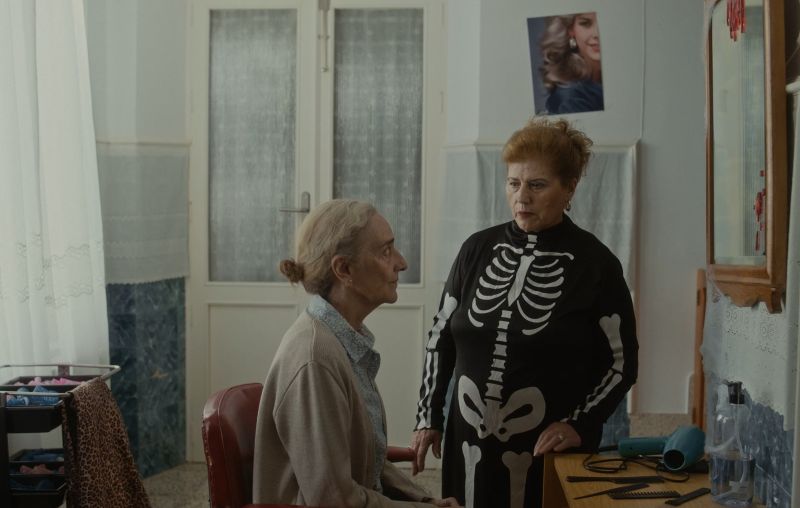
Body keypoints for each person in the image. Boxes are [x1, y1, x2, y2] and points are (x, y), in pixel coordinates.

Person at [410, 118, 638, 508]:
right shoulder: (476, 249)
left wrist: (581, 423)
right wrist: (428, 416)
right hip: (469, 440)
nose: (522, 197)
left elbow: (621, 362)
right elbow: (440, 337)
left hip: (545, 446)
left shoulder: (596, 264)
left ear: (569, 188)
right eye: (514, 183)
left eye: (537, 185)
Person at [253, 199, 461, 508]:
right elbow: (332, 500)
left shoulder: (342, 341)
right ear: (344, 269)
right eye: (385, 251)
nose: (402, 263)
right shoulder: (315, 359)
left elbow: (368, 463)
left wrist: (426, 500)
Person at [539, 13, 603, 114]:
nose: (597, 34)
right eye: (585, 23)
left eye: (603, 23)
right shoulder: (571, 100)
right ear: (571, 30)